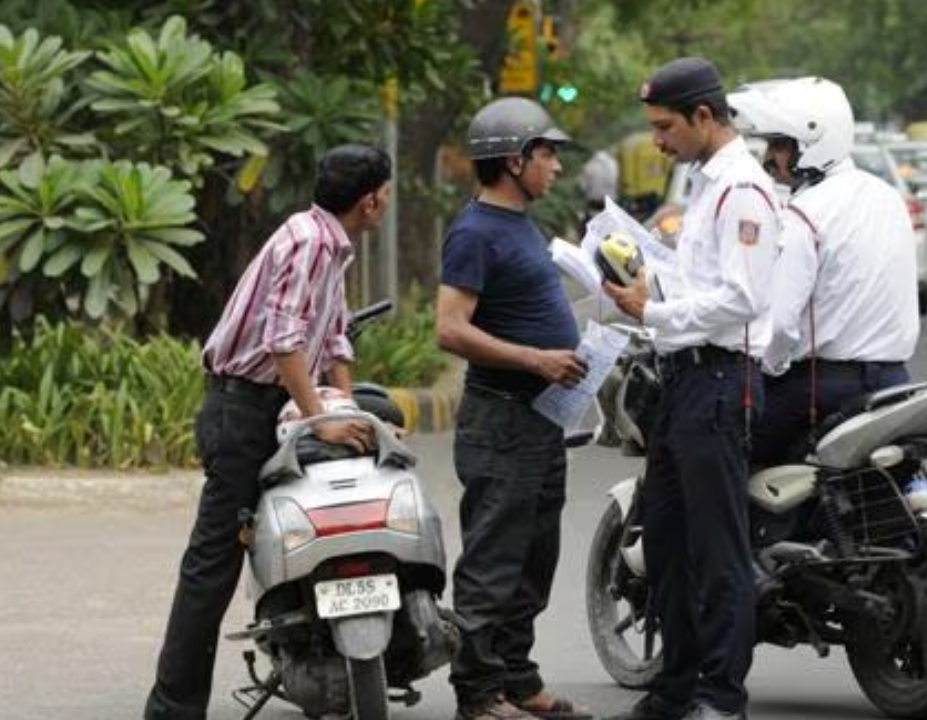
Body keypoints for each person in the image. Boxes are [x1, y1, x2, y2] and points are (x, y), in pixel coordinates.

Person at [144, 144, 392, 720]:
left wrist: (345, 406)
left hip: (272, 404)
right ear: (371, 199)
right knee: (213, 565)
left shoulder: (331, 246)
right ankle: (171, 711)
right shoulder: (309, 242)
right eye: (386, 191)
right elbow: (283, 341)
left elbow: (331, 339)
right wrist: (320, 420)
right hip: (241, 411)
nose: (386, 201)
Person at [603, 57, 780, 720]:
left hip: (719, 380)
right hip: (681, 380)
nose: (657, 141)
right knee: (668, 544)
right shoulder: (706, 184)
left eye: (665, 126)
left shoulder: (743, 191)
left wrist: (653, 311)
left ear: (704, 115)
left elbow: (741, 298)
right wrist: (648, 276)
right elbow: (701, 278)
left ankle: (720, 696)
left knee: (717, 549)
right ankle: (674, 686)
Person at [436, 96, 592, 720]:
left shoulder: (519, 223)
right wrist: (536, 360)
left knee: (535, 556)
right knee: (493, 560)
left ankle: (518, 679)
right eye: (546, 153)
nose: (555, 166)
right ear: (512, 160)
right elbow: (450, 329)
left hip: (539, 419)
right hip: (500, 419)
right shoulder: (474, 231)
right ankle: (477, 694)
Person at [738, 77, 920, 467]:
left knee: (726, 452)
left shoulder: (807, 212)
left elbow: (783, 324)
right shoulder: (888, 198)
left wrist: (763, 369)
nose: (769, 156)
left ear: (811, 143)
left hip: (820, 388)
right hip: (895, 382)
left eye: (779, 145)